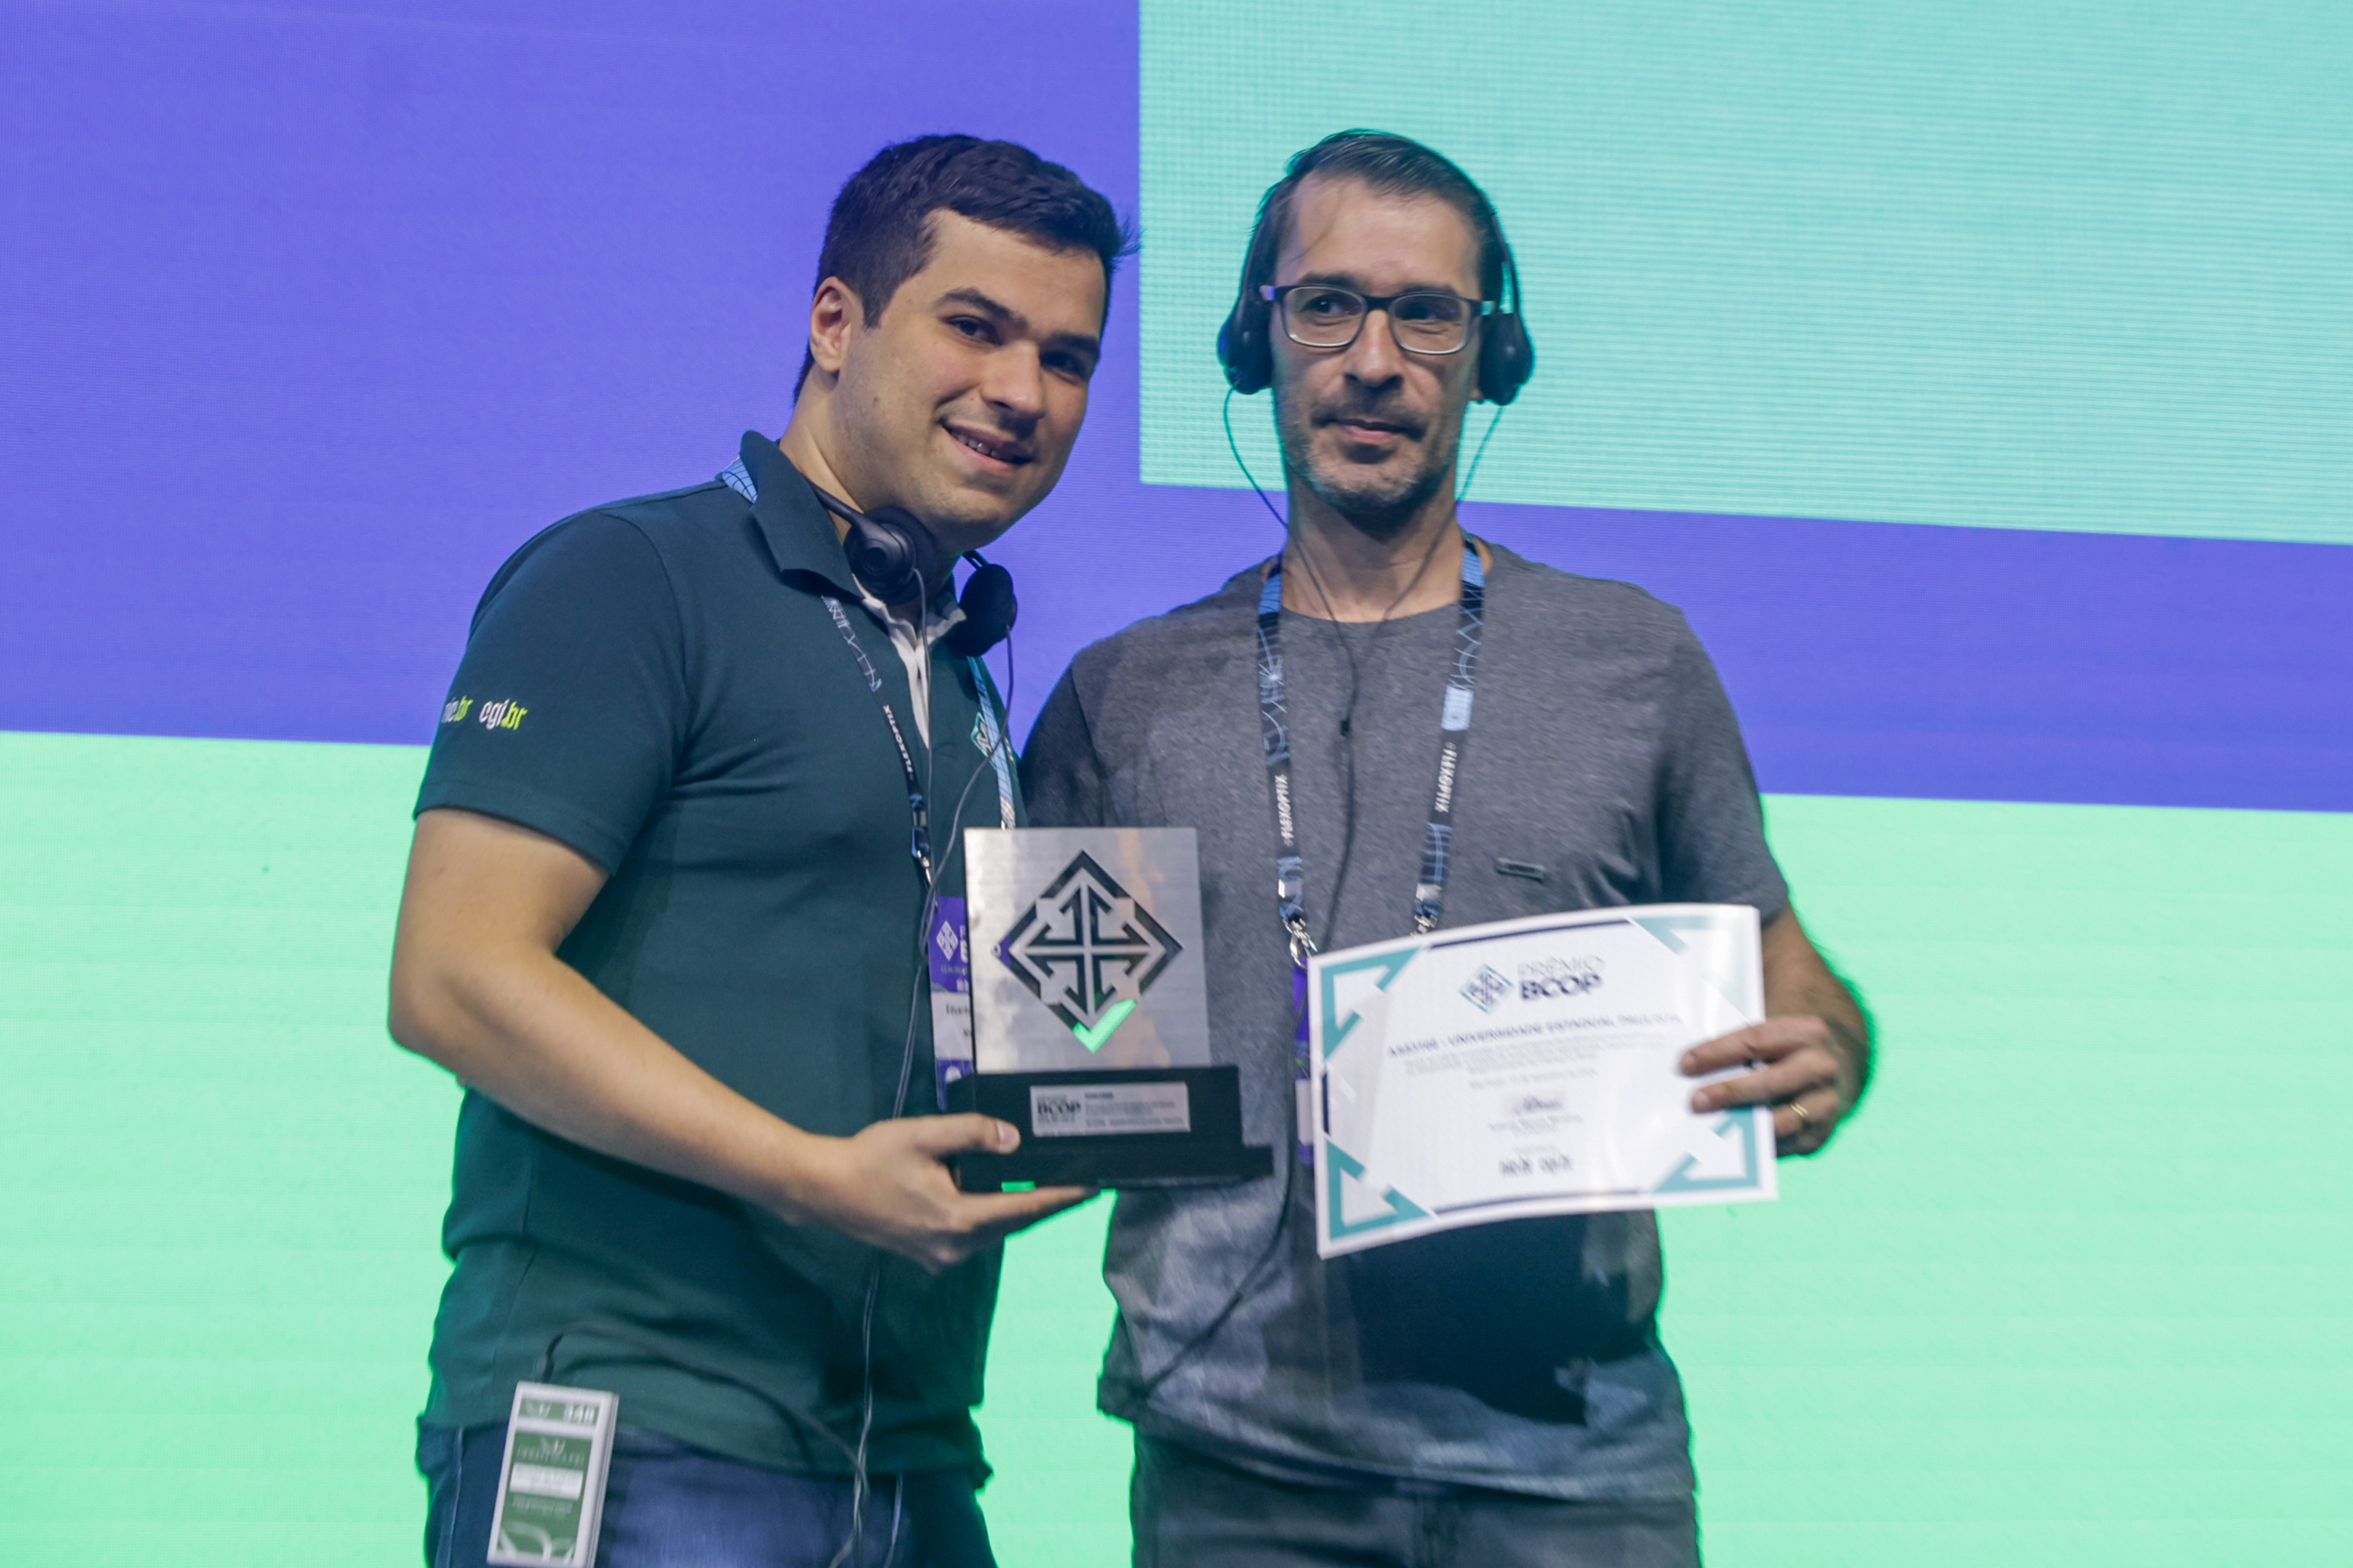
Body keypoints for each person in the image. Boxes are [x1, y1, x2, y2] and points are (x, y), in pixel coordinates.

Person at [1021, 131, 1872, 1567]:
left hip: (1578, 1477)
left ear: (1494, 356)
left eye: (1427, 314)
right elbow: (1053, 1064)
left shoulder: (1634, 660)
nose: (1374, 360)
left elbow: (1796, 979)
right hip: (1240, 1476)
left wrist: (1824, 1050)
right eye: (1327, 306)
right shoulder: (1124, 696)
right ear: (1256, 340)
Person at [388, 134, 1128, 1568]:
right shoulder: (629, 575)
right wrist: (808, 1170)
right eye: (975, 327)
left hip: (910, 1456)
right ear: (835, 322)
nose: (1023, 390)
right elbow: (452, 977)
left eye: (1068, 357)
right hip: (630, 1423)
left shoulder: (963, 672)